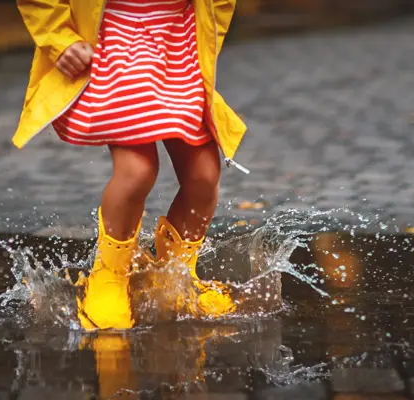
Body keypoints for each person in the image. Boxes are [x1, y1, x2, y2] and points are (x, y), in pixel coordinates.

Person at [14, 0, 248, 330]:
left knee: (204, 174)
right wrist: (58, 37)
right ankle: (108, 277)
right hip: (113, 48)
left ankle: (175, 276)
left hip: (177, 46)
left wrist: (207, 36)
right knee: (137, 170)